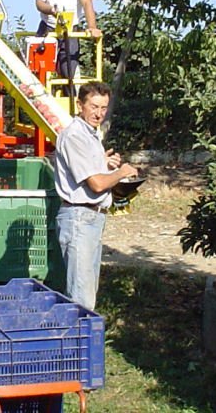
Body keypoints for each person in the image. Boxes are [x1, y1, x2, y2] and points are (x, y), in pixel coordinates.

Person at [53, 81, 138, 310]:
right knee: (81, 299)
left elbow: (93, 172)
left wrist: (105, 163)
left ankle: (78, 341)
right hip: (79, 217)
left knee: (87, 291)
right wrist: (121, 173)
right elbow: (97, 184)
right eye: (94, 107)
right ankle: (75, 343)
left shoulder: (91, 135)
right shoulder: (74, 136)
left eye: (103, 108)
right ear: (80, 105)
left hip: (92, 218)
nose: (99, 113)